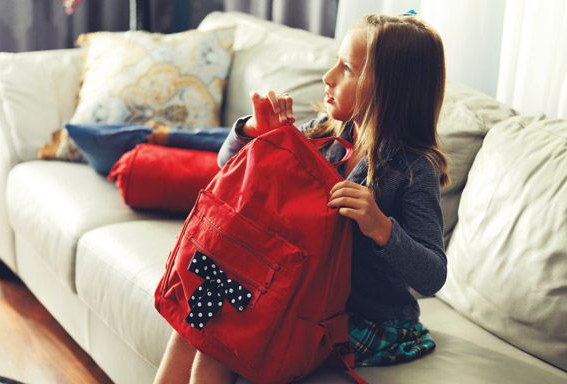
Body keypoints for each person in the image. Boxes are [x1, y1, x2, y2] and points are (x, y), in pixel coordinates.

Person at [154, 11, 449, 383]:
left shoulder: (413, 168)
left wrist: (382, 228)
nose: (329, 76)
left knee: (219, 342)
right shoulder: (322, 133)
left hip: (362, 317)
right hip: (297, 292)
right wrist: (258, 133)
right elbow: (228, 164)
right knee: (194, 319)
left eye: (348, 68)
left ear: (392, 87)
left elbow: (433, 274)